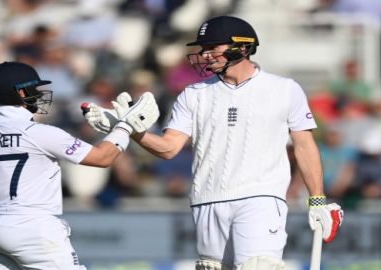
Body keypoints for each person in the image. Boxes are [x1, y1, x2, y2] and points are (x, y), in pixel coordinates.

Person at [83, 16, 344, 269]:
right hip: (207, 199)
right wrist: (130, 129)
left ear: (242, 47)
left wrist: (317, 199)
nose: (205, 54)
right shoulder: (193, 94)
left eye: (212, 48)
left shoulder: (284, 88)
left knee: (259, 266)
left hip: (261, 197)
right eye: (203, 49)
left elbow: (304, 145)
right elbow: (169, 148)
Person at [0, 61, 159, 269]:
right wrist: (125, 126)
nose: (39, 94)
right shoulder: (40, 132)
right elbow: (102, 158)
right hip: (31, 228)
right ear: (21, 93)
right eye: (34, 89)